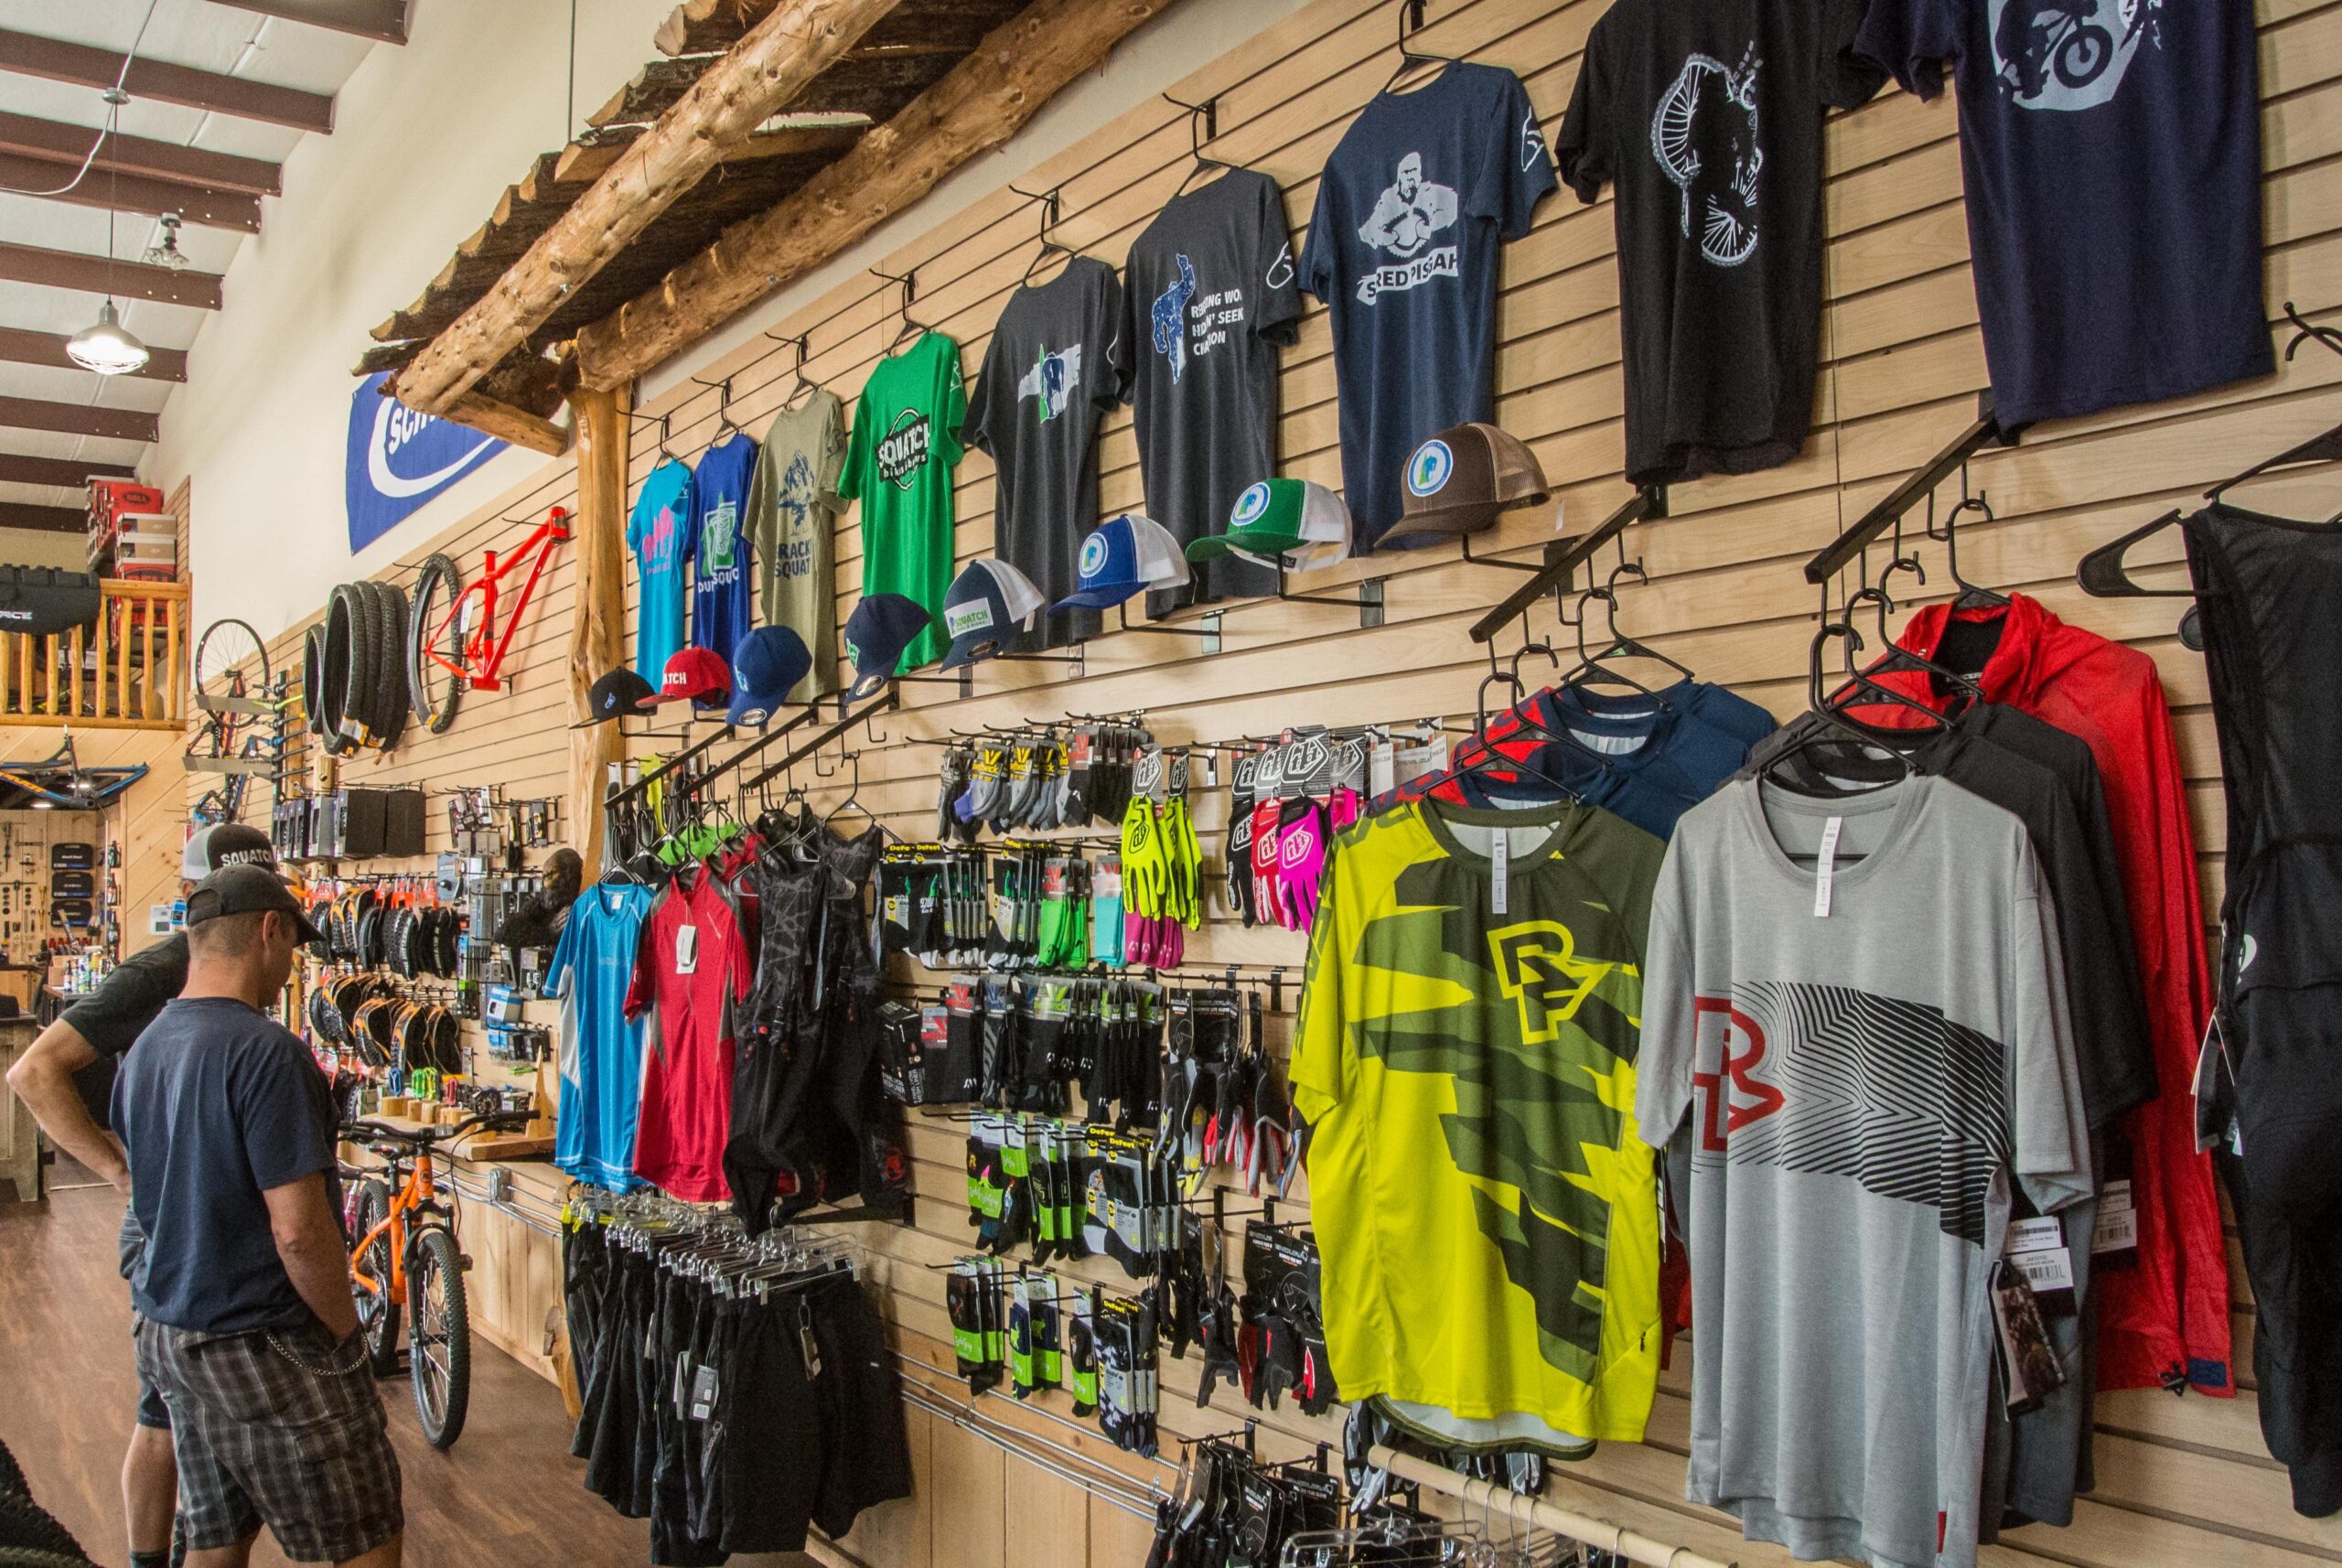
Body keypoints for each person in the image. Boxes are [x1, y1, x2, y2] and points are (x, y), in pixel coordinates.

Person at [3, 823, 278, 1568]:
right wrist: (123, 1173)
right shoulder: (166, 967)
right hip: (176, 1218)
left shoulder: (224, 967)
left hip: (202, 1212)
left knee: (165, 1410)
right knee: (165, 1413)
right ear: (193, 898)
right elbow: (31, 1073)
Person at [113, 864, 403, 1568]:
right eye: (292, 946)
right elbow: (299, 1231)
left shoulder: (147, 1047)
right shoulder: (266, 1051)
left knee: (216, 1534)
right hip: (259, 1338)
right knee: (363, 1537)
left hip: (171, 1331)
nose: (290, 967)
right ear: (270, 930)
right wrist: (344, 1338)